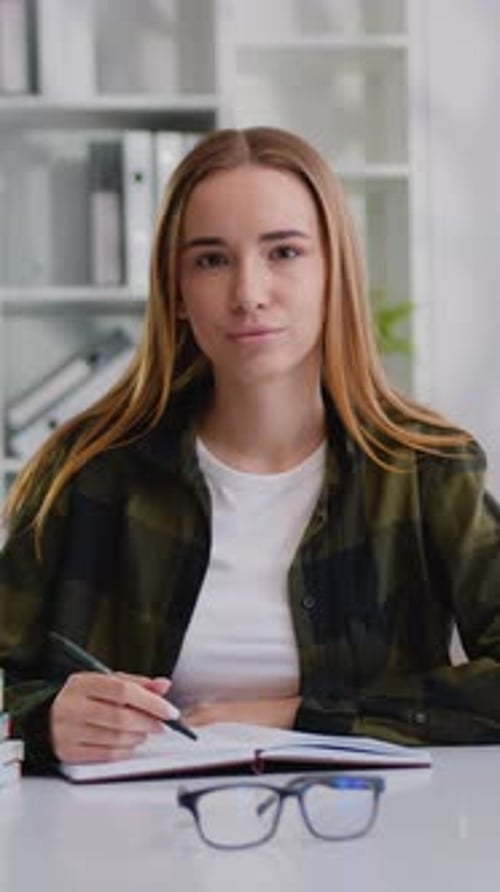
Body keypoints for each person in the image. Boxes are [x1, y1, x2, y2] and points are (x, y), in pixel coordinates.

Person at [2, 126, 500, 774]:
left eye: (284, 252)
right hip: (127, 855)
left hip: (364, 851)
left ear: (334, 274)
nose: (248, 293)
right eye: (211, 259)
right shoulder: (92, 469)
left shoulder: (424, 469)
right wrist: (45, 718)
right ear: (176, 291)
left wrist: (300, 711)